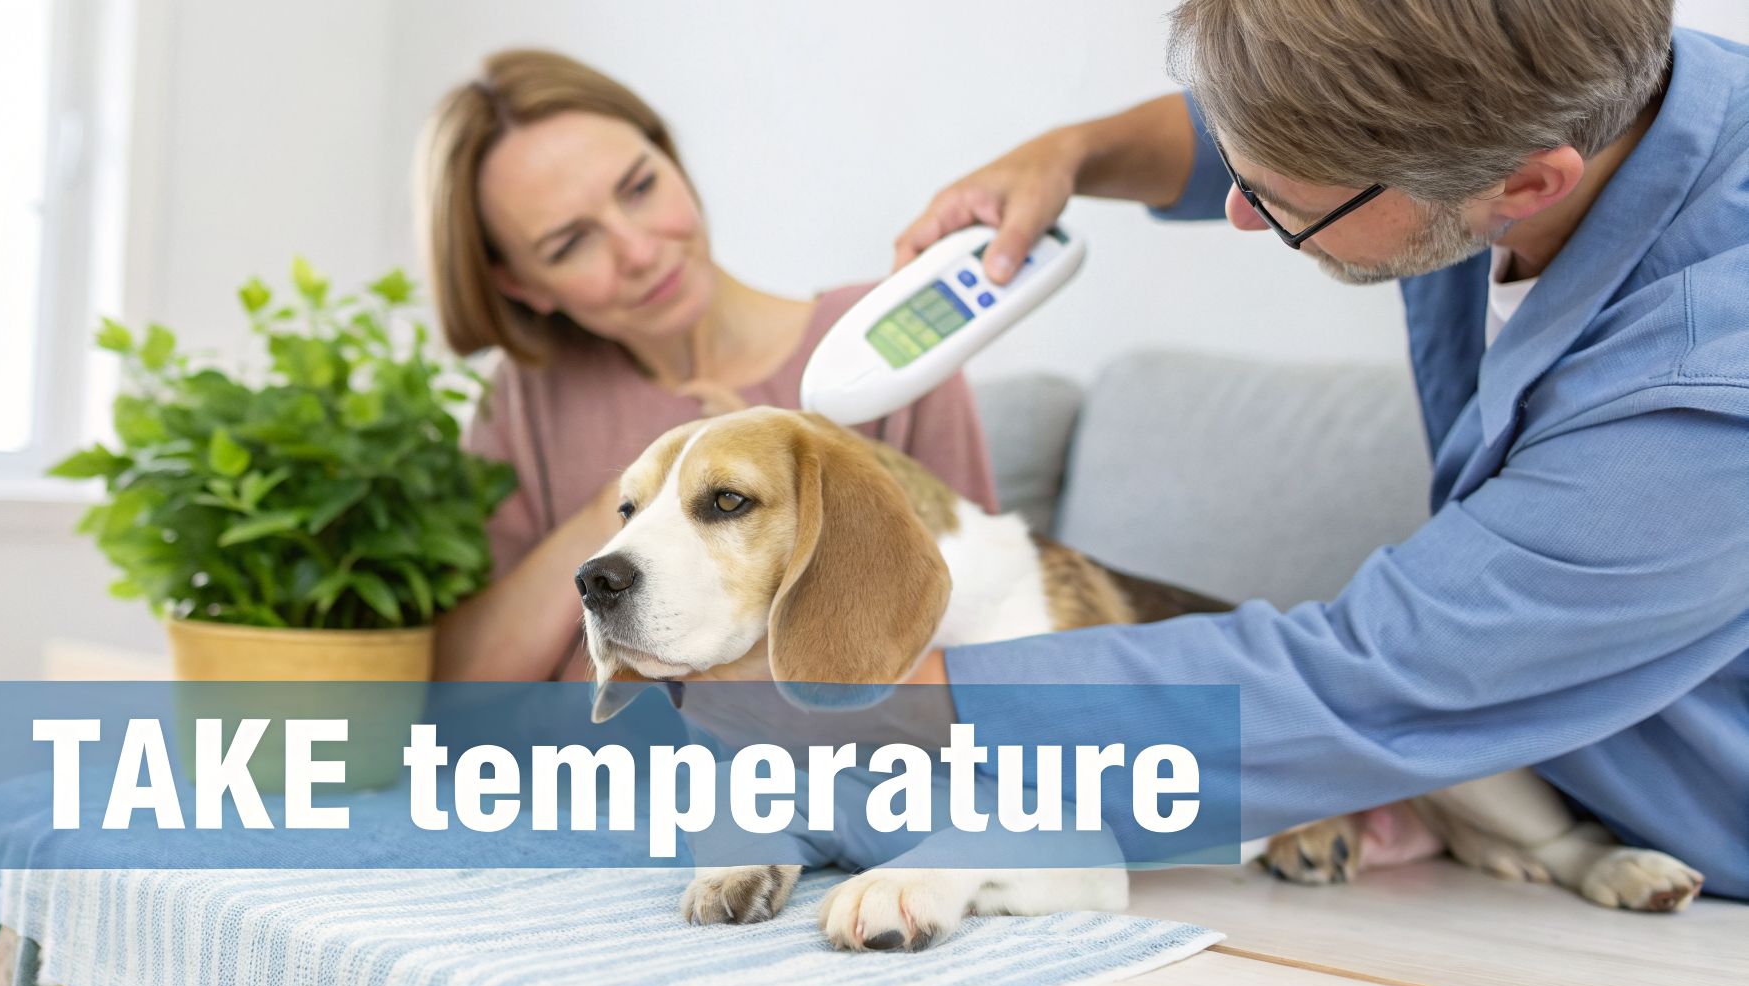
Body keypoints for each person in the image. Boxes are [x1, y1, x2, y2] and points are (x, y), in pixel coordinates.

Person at [891, 0, 1748, 898]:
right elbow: (1307, 132)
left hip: (1693, 822)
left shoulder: (1707, 386)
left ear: (1528, 187)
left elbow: (1380, 680)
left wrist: (899, 701)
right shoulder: (1570, 84)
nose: (1240, 213)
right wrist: (1075, 153)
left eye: (1282, 203)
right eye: (1239, 163)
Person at [417, 50, 998, 686]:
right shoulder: (521, 401)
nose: (639, 250)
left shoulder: (882, 340)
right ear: (520, 284)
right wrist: (627, 508)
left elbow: (974, 634)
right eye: (570, 242)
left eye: (640, 188)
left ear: (673, 162)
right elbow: (462, 689)